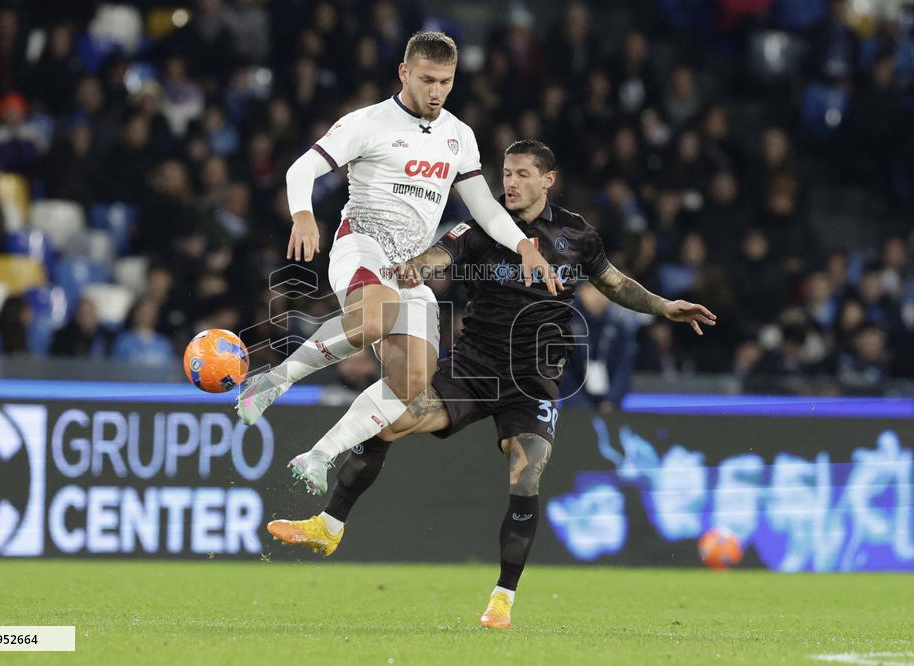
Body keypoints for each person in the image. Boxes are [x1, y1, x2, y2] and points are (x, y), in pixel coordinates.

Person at [266, 141, 716, 630]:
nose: (511, 183)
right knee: (387, 420)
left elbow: (612, 282)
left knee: (526, 477)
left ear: (548, 180)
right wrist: (419, 266)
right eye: (506, 173)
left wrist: (664, 306)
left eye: (523, 174)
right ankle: (329, 527)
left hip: (534, 378)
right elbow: (445, 250)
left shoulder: (576, 234)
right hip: (474, 366)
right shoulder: (485, 224)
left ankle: (503, 598)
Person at [236, 32, 560, 492]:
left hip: (406, 269)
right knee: (374, 317)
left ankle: (319, 456)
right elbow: (300, 169)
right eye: (428, 79)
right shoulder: (368, 123)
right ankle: (273, 381)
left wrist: (525, 245)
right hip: (361, 245)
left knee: (412, 381)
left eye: (446, 82)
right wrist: (304, 216)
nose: (437, 92)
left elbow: (485, 209)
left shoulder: (458, 136)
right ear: (404, 73)